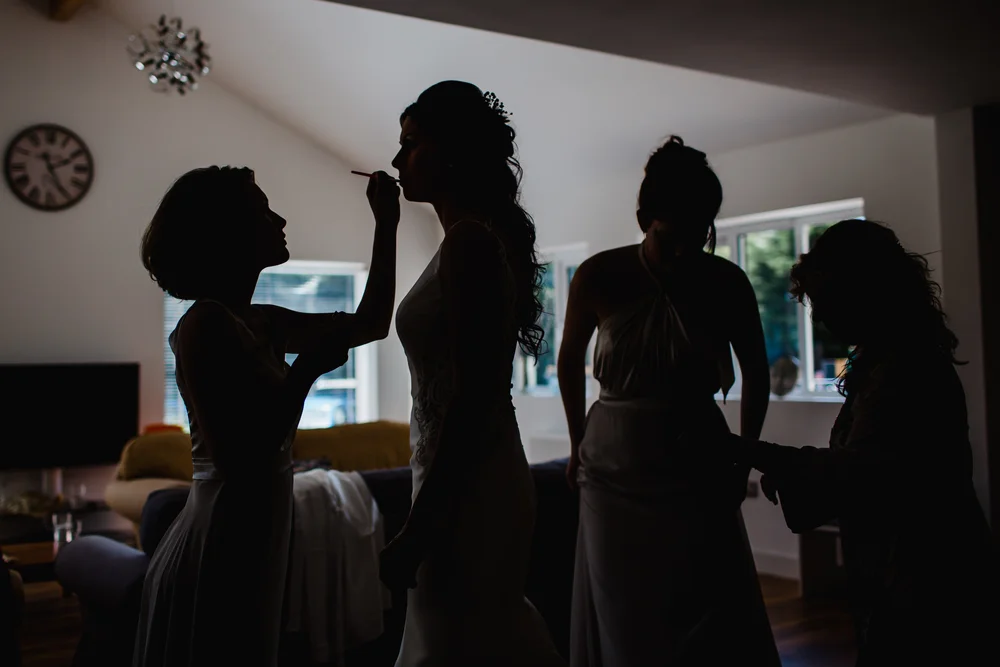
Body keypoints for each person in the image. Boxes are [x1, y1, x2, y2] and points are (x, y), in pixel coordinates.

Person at [133, 166, 400, 667]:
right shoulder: (204, 324)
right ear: (227, 233)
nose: (278, 219)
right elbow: (240, 457)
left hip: (260, 526)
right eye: (261, 211)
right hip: (223, 533)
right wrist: (306, 373)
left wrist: (385, 225)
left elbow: (372, 324)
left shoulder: (262, 320)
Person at [709, 219, 1000, 666]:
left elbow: (863, 471)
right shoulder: (892, 360)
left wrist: (749, 451)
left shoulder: (903, 371)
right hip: (910, 573)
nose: (818, 316)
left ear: (865, 291)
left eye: (824, 300)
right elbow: (873, 469)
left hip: (927, 578)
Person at [558, 136, 780, 666]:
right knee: (623, 609)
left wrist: (743, 456)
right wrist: (575, 444)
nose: (686, 249)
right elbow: (568, 361)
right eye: (672, 236)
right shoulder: (599, 274)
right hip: (612, 469)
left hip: (696, 462)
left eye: (699, 235)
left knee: (702, 608)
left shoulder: (726, 282)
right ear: (645, 218)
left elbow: (756, 370)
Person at [378, 81, 565, 667]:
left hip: (469, 479)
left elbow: (474, 395)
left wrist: (421, 523)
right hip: (453, 468)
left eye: (410, 144)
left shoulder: (469, 247)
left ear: (451, 151)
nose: (396, 159)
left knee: (466, 638)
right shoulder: (466, 241)